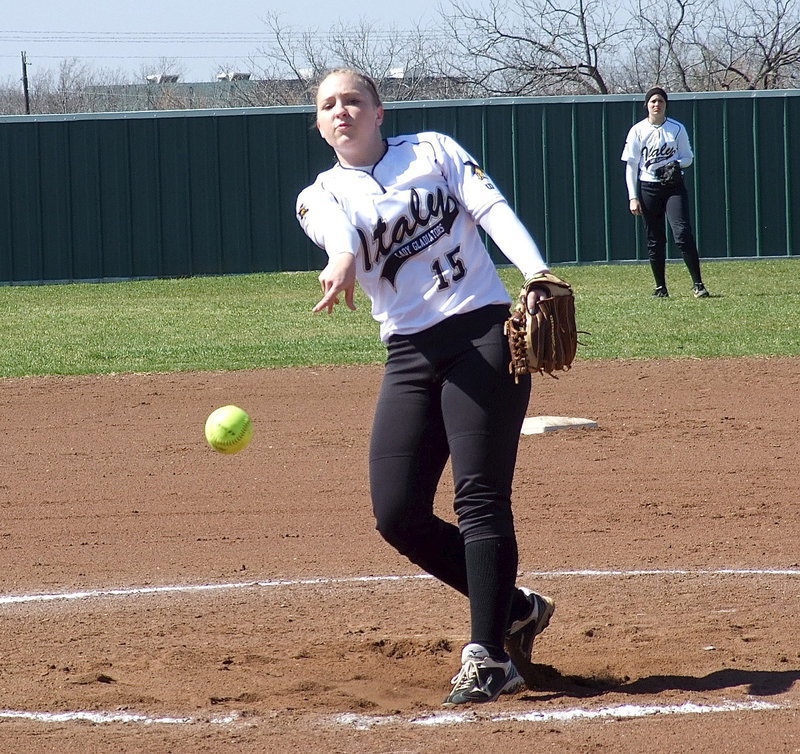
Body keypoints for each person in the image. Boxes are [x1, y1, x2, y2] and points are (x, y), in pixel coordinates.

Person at [296, 68, 557, 707]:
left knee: (480, 497)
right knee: (397, 514)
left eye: (353, 100)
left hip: (482, 334)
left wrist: (536, 273)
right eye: (328, 105)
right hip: (409, 354)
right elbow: (338, 236)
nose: (341, 110)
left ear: (379, 110)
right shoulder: (320, 195)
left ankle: (489, 656)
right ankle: (515, 609)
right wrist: (341, 261)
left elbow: (489, 207)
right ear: (320, 124)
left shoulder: (433, 151)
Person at [621, 86, 710, 298]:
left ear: (666, 104)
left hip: (673, 187)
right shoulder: (637, 130)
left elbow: (688, 157)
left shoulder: (676, 129)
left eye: (660, 101)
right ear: (646, 105)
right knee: (655, 238)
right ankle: (661, 287)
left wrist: (676, 164)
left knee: (682, 234)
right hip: (648, 187)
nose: (656, 105)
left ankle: (698, 285)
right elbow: (631, 165)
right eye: (653, 101)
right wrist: (633, 197)